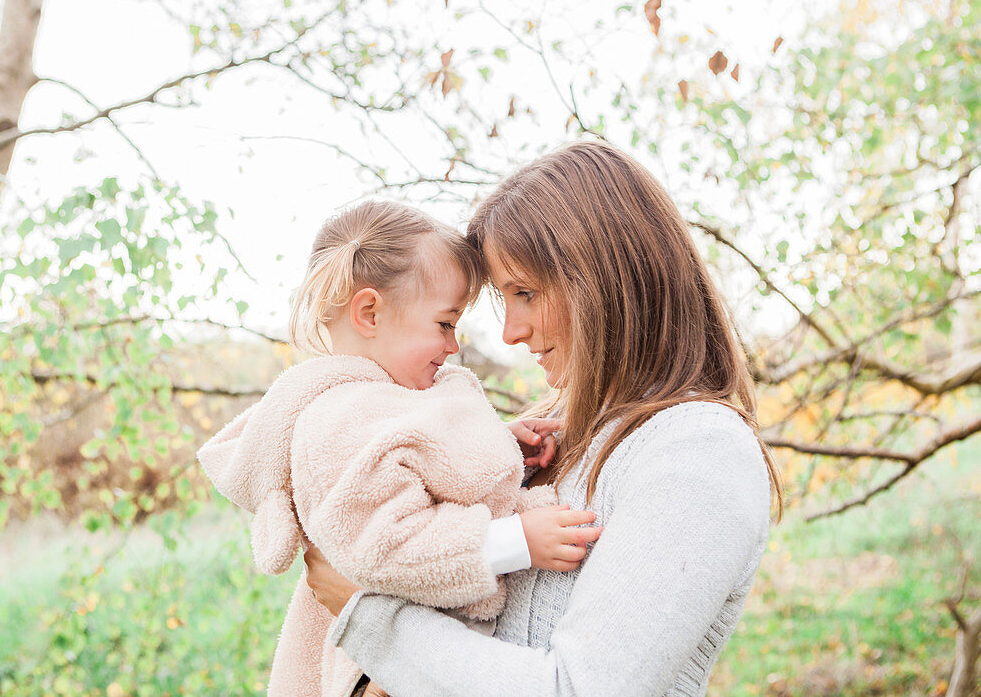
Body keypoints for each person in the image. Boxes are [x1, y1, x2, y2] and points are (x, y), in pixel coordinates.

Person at [303, 141, 785, 696]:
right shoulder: (557, 435)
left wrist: (367, 619)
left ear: (606, 280)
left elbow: (577, 690)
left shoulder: (698, 450)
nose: (510, 331)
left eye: (525, 293)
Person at [195, 200, 602, 697]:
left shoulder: (391, 398)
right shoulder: (337, 423)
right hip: (378, 676)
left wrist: (501, 444)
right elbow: (385, 545)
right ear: (370, 313)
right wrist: (514, 541)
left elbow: (422, 467)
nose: (454, 346)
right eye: (445, 324)